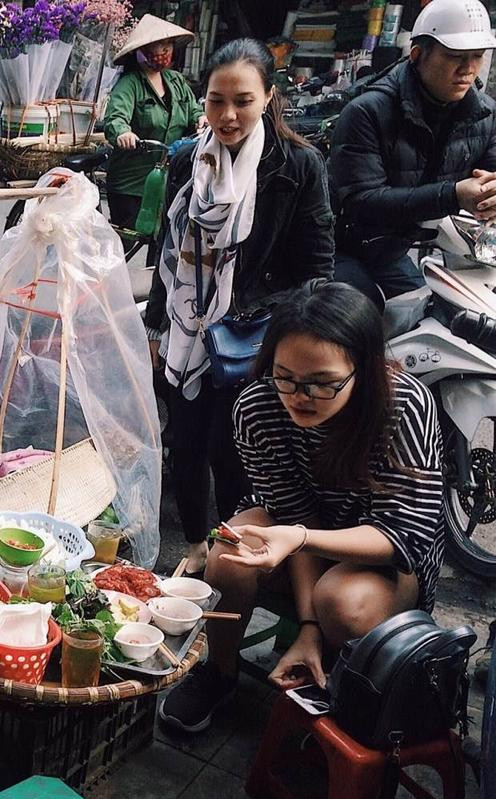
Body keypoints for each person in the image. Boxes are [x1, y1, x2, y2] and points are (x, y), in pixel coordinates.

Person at [158, 282, 445, 733]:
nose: (299, 395)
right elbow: (294, 513)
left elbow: (403, 537)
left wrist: (301, 540)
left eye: (323, 383)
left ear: (363, 369)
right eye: (285, 376)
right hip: (295, 529)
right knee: (229, 554)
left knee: (343, 602)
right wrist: (308, 619)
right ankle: (220, 672)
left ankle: (340, 694)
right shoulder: (257, 406)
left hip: (385, 553)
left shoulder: (402, 406)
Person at [143, 38, 334, 576]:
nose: (228, 115)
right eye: (216, 100)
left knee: (234, 446)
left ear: (268, 96)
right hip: (187, 328)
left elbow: (318, 269)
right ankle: (197, 543)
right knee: (185, 439)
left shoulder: (298, 165)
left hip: (255, 338)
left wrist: (258, 324)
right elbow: (168, 251)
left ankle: (231, 543)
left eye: (243, 101)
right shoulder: (187, 160)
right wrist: (159, 326)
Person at [328, 0, 496, 306]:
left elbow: (489, 177)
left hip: (419, 246)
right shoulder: (367, 112)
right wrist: (454, 194)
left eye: (477, 56)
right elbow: (362, 202)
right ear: (417, 55)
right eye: (454, 56)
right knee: (364, 321)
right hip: (348, 245)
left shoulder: (485, 114)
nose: (469, 69)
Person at [102, 15, 206, 236]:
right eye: (156, 47)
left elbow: (193, 109)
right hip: (132, 182)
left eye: (167, 45)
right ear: (140, 52)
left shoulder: (176, 81)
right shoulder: (130, 84)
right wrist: (124, 133)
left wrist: (201, 118)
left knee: (163, 241)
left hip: (169, 179)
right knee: (128, 240)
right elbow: (115, 118)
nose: (163, 51)